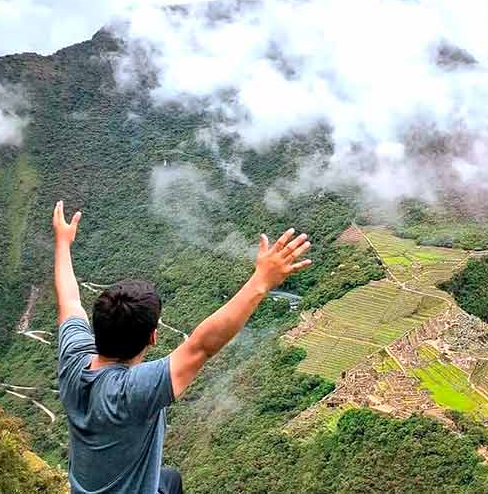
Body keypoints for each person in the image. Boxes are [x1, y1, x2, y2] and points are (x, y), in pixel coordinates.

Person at [53, 201, 312, 494]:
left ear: (96, 327)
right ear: (153, 337)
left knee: (170, 479)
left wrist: (63, 242)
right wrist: (262, 280)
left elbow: (69, 300)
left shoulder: (74, 359)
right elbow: (203, 345)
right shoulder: (132, 392)